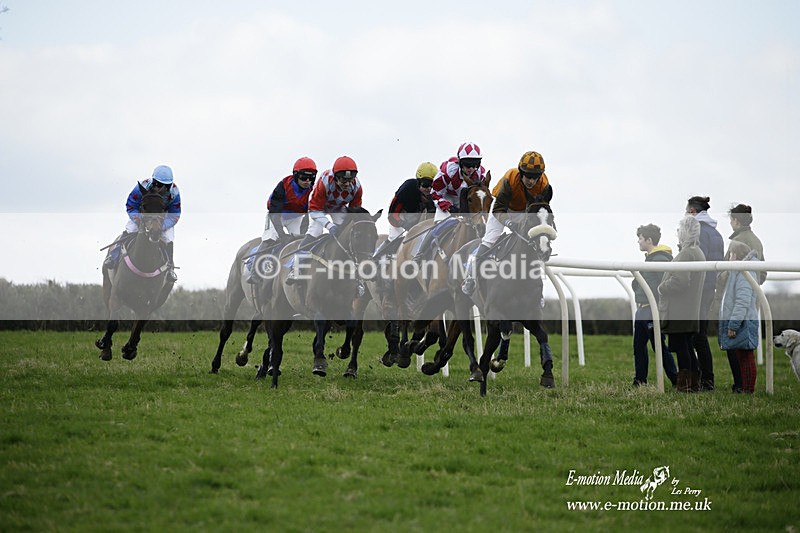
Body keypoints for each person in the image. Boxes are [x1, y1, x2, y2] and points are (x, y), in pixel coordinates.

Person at [461, 150, 551, 295]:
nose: (531, 181)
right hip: (503, 209)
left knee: (533, 242)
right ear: (521, 173)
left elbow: (542, 209)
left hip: (525, 211)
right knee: (489, 240)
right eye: (528, 176)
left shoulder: (544, 184)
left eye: (535, 177)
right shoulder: (510, 179)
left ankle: (537, 291)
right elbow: (498, 210)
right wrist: (509, 223)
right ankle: (470, 278)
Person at [286, 156, 363, 284]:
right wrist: (329, 225)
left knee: (346, 231)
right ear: (336, 177)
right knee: (315, 231)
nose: (348, 184)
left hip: (337, 207)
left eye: (350, 180)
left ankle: (356, 274)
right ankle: (296, 268)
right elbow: (315, 210)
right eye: (344, 181)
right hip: (318, 207)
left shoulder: (357, 188)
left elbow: (354, 212)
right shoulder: (324, 182)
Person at [716, 203, 766, 392]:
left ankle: (741, 386)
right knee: (744, 350)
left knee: (737, 347)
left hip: (737, 299)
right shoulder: (757, 241)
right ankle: (742, 386)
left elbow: (725, 271)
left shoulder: (737, 243)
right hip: (750, 299)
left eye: (731, 219)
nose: (730, 223)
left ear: (736, 221)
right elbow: (763, 273)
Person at [103, 165, 181, 283]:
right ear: (153, 182)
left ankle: (169, 268)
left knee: (168, 237)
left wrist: (162, 226)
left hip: (161, 220)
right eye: (159, 184)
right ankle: (113, 257)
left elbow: (175, 215)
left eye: (166, 186)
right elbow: (131, 205)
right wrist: (139, 220)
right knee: (130, 229)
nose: (161, 189)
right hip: (142, 216)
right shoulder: (142, 187)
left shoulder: (174, 192)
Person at [245, 157, 316, 284]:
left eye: (311, 178)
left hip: (296, 217)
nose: (307, 181)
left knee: (301, 240)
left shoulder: (313, 190)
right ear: (296, 175)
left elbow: (309, 215)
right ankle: (255, 273)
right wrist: (282, 234)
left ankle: (296, 270)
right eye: (304, 178)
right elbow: (274, 212)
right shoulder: (284, 185)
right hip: (277, 215)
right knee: (270, 238)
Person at [657, 215, 706, 392]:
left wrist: (661, 288)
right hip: (690, 308)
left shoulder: (687, 253)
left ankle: (685, 384)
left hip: (680, 309)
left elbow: (680, 281)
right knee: (687, 346)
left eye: (679, 230)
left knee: (681, 347)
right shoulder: (697, 252)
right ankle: (693, 382)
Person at [630, 224, 678, 387]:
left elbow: (664, 286)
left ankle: (675, 379)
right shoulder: (650, 259)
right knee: (639, 346)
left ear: (649, 240)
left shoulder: (659, 260)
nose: (638, 242)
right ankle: (640, 380)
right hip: (642, 309)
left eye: (640, 239)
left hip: (652, 310)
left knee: (659, 346)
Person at [685, 195, 724, 391]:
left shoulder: (698, 231)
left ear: (692, 211)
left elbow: (694, 261)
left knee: (697, 336)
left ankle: (706, 381)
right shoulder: (716, 233)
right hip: (710, 287)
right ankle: (706, 380)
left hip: (699, 289)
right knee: (700, 335)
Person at [718, 240, 760, 394]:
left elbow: (742, 301)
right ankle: (744, 388)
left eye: (730, 254)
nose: (728, 257)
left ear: (735, 255)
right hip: (742, 320)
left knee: (746, 357)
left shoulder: (744, 272)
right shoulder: (739, 272)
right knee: (742, 356)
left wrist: (733, 325)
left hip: (743, 321)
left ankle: (748, 390)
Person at [372, 161, 438, 259]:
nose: (429, 189)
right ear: (418, 181)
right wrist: (403, 223)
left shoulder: (432, 195)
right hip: (398, 214)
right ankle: (376, 258)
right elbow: (392, 214)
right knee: (395, 238)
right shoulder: (408, 188)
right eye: (426, 184)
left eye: (432, 185)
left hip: (416, 217)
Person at [430, 141, 489, 222]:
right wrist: (448, 207)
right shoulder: (448, 171)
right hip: (447, 197)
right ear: (460, 163)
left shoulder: (480, 175)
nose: (471, 169)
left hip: (466, 200)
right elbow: (435, 194)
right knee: (440, 222)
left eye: (474, 165)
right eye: (467, 164)